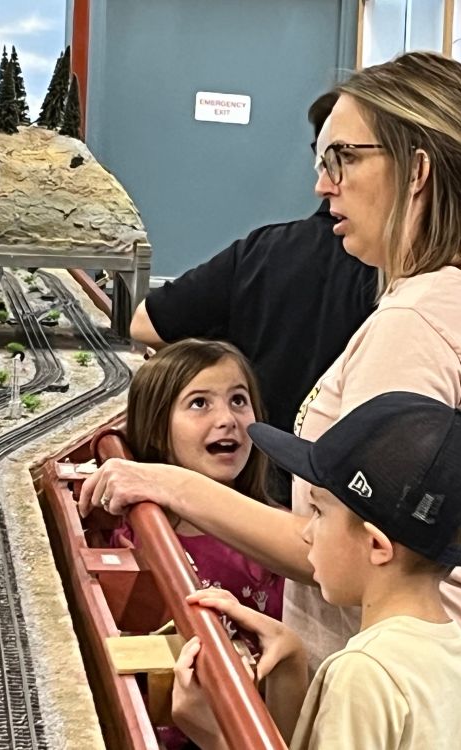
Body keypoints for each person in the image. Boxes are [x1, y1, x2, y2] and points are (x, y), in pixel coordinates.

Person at [79, 51, 461, 749]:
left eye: (344, 158)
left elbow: (349, 540)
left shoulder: (415, 325)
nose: (324, 185)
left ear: (416, 171)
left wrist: (167, 484)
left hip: (407, 712)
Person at [170, 391, 461, 750]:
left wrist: (216, 737)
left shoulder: (365, 671)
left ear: (376, 545)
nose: (308, 532)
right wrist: (291, 657)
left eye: (319, 512)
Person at [129, 92, 379, 506]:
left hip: (256, 490)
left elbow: (147, 323)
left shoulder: (264, 251)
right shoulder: (398, 283)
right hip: (337, 502)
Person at [111, 339, 285, 748]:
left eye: (239, 400)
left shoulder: (277, 531)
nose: (227, 419)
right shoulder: (138, 542)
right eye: (200, 403)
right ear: (157, 430)